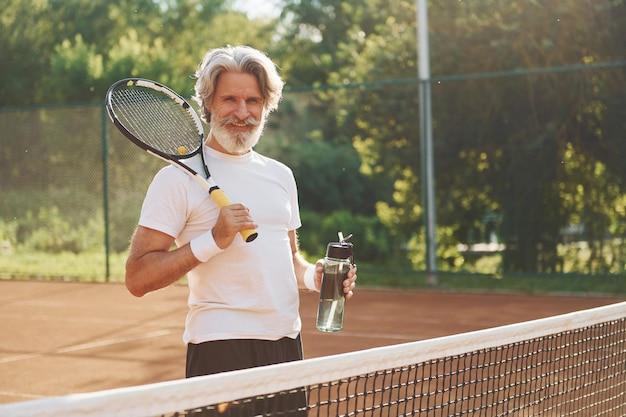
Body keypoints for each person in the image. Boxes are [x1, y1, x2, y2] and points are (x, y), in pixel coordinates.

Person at [124, 45, 357, 415]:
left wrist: (316, 276)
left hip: (285, 346)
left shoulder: (281, 176)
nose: (242, 112)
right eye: (230, 99)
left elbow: (289, 258)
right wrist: (212, 241)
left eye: (253, 100)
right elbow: (137, 277)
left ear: (266, 106)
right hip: (220, 346)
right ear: (208, 104)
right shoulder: (175, 180)